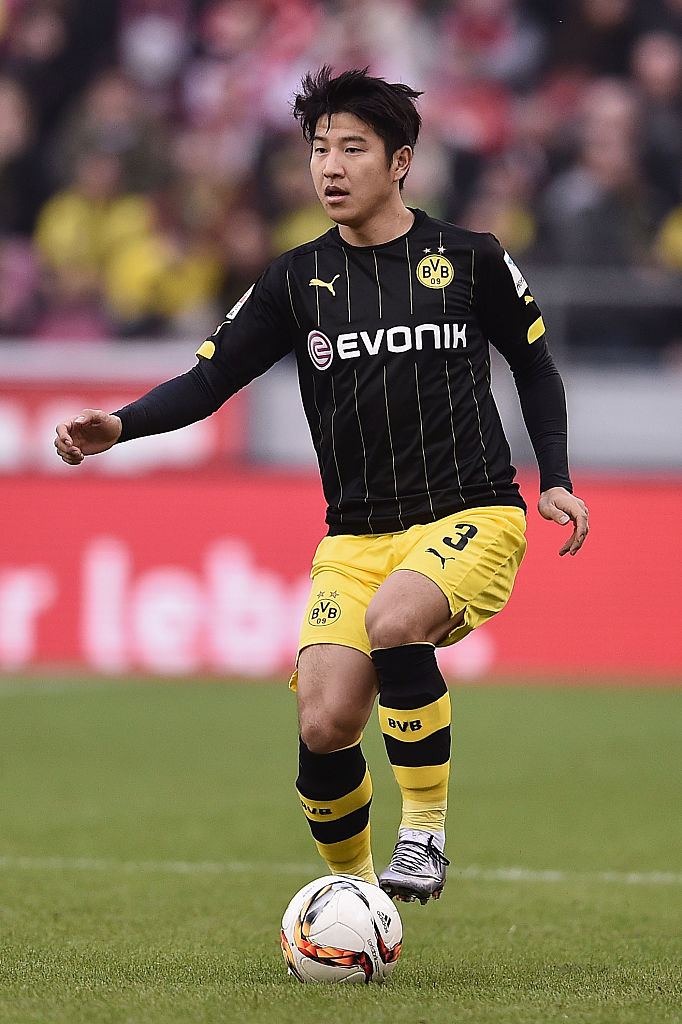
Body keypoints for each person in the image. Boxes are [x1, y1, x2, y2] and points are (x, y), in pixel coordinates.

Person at [54, 67, 589, 906]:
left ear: (400, 161)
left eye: (352, 148)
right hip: (356, 534)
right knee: (324, 722)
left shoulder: (470, 256)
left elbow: (535, 364)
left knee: (396, 621)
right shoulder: (295, 279)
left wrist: (553, 477)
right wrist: (121, 424)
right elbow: (210, 379)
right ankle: (357, 900)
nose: (330, 167)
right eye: (318, 149)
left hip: (473, 510)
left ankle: (424, 835)